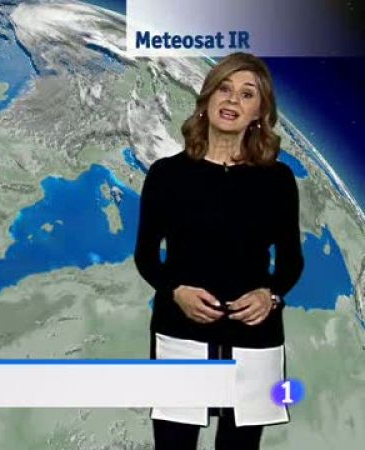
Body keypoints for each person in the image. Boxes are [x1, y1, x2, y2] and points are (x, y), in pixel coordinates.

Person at [133, 52, 305, 450]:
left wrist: (270, 295)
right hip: (181, 331)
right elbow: (146, 256)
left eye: (247, 94)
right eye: (225, 89)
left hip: (254, 335)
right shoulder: (166, 175)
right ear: (208, 98)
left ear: (259, 112)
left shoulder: (277, 181)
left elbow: (291, 260)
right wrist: (175, 290)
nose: (232, 100)